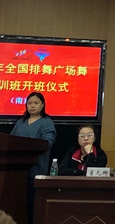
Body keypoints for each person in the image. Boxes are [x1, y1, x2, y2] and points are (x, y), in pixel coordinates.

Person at [10, 92, 56, 224]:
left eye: (36, 103)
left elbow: (48, 143)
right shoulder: (21, 122)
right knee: (18, 205)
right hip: (17, 172)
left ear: (42, 105)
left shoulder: (47, 122)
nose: (32, 106)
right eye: (29, 103)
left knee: (33, 205)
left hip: (36, 170)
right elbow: (10, 140)